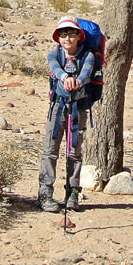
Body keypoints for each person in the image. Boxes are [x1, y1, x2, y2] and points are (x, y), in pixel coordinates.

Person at [38, 15, 96, 214]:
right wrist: (65, 78)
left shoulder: (88, 55)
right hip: (57, 108)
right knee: (50, 150)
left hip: (78, 109)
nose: (67, 38)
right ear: (58, 37)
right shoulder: (53, 54)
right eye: (63, 34)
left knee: (74, 152)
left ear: (79, 36)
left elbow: (87, 73)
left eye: (71, 34)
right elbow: (55, 70)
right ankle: (45, 194)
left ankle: (72, 193)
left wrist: (77, 81)